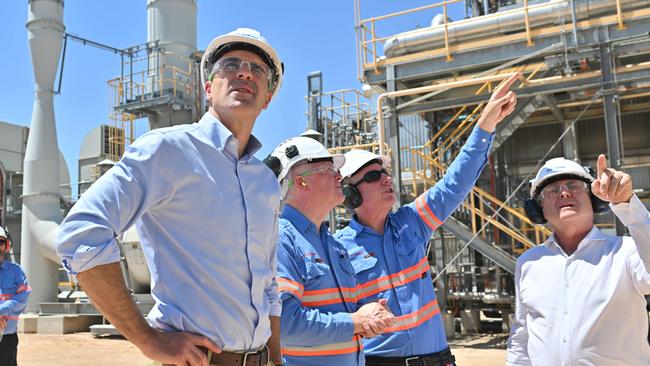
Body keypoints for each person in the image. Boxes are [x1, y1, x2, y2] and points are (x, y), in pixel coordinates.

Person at [57, 28, 284, 366]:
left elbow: (268, 285)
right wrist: (149, 341)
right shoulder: (168, 150)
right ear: (208, 87)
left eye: (258, 69)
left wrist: (275, 357)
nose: (244, 72)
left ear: (267, 98)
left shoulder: (265, 181)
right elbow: (81, 233)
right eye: (230, 64)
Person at [334, 74, 520, 366]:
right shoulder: (337, 249)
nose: (386, 179)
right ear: (349, 194)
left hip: (437, 360)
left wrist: (485, 125)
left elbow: (454, 184)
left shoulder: (412, 222)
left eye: (385, 173)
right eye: (373, 176)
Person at [507, 155, 650, 365]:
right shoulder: (528, 263)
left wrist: (627, 204)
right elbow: (521, 337)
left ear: (594, 201)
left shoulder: (626, 252)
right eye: (552, 191)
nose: (564, 192)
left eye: (574, 186)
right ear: (540, 211)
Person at [266, 136, 395, 366]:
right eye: (328, 168)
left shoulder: (334, 245)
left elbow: (348, 313)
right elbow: (285, 324)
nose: (339, 175)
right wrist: (356, 321)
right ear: (302, 182)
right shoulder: (282, 239)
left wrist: (369, 317)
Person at [0, 227, 31, 366]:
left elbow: (23, 298)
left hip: (8, 337)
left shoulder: (16, 271)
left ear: (6, 245)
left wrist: (1, 311)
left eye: (0, 242)